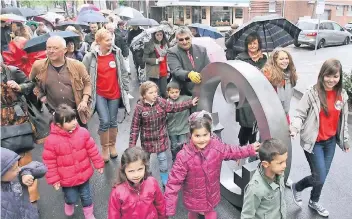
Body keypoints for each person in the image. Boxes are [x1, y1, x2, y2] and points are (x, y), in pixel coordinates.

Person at [164, 111, 260, 219]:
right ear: (190, 135)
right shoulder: (184, 156)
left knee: (210, 213)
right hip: (193, 197)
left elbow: (231, 151)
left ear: (210, 133)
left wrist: (249, 149)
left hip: (211, 194)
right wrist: (169, 209)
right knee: (193, 213)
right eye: (197, 135)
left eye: (205, 135)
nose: (202, 139)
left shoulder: (216, 147)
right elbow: (173, 183)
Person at [290, 59, 349, 217]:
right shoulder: (312, 92)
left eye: (335, 76)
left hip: (330, 142)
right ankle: (298, 187)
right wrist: (294, 128)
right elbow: (300, 114)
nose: (331, 80)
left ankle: (313, 201)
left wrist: (346, 140)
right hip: (314, 142)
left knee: (321, 177)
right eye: (328, 75)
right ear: (322, 75)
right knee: (319, 176)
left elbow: (343, 122)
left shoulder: (342, 94)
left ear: (339, 77)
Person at [129, 81, 199, 187]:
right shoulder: (140, 108)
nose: (154, 95)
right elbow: (135, 127)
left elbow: (174, 107)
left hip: (160, 139)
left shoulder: (161, 102)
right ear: (144, 95)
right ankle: (147, 180)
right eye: (151, 93)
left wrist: (190, 103)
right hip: (147, 141)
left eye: (155, 92)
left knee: (163, 160)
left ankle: (165, 180)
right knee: (145, 161)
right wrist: (132, 146)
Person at [42, 104, 105, 219]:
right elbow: (49, 162)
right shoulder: (52, 141)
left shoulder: (83, 132)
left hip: (84, 173)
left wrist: (98, 163)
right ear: (58, 125)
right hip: (66, 178)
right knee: (71, 197)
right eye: (69, 121)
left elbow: (92, 149)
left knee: (86, 196)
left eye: (74, 118)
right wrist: (54, 179)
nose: (74, 122)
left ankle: (89, 214)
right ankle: (69, 202)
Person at [0, 58, 45, 204]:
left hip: (18, 123)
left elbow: (31, 84)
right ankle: (10, 200)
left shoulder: (11, 71)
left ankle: (32, 198)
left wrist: (19, 87)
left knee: (25, 162)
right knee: (4, 165)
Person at [83, 29, 130, 163]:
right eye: (107, 40)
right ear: (99, 42)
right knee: (105, 120)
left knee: (113, 121)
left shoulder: (117, 53)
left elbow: (123, 72)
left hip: (114, 93)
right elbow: (83, 75)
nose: (110, 42)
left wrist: (126, 89)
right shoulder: (90, 57)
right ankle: (104, 148)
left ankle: (112, 145)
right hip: (99, 94)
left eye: (111, 39)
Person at [30, 36, 92, 127]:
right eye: (49, 48)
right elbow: (30, 82)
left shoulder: (77, 65)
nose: (51, 51)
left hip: (76, 113)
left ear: (65, 50)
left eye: (55, 48)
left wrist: (84, 101)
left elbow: (88, 83)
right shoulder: (38, 66)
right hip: (54, 115)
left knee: (80, 139)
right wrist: (40, 95)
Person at [108, 147, 166, 219]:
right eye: (131, 171)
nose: (136, 175)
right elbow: (114, 215)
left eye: (140, 169)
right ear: (123, 170)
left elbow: (160, 204)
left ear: (145, 167)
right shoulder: (117, 192)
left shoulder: (152, 183)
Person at [235, 32, 267, 156]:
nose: (252, 46)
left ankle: (251, 147)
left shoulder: (264, 58)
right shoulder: (241, 58)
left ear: (259, 44)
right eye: (250, 43)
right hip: (245, 96)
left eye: (254, 43)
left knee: (256, 122)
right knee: (247, 123)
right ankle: (243, 145)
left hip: (259, 95)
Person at [241, 138, 288, 219]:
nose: (285, 166)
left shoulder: (280, 173)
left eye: (285, 161)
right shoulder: (255, 189)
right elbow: (247, 215)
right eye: (280, 163)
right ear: (265, 164)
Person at [1, 147, 47, 219]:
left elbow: (41, 168)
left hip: (29, 213)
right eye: (15, 168)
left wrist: (26, 173)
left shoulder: (13, 178)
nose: (19, 169)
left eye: (18, 166)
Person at [168, 26, 210, 96]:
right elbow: (176, 70)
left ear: (191, 37)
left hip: (202, 90)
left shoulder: (202, 50)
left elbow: (208, 68)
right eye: (181, 40)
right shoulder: (172, 52)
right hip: (184, 92)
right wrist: (189, 75)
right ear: (177, 40)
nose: (184, 42)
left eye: (187, 38)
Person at [262, 48, 298, 123]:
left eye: (286, 58)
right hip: (270, 118)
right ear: (275, 60)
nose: (285, 61)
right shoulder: (268, 76)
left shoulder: (290, 75)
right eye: (281, 59)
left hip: (285, 116)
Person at [166, 81, 191, 161]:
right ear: (168, 93)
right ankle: (175, 160)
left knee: (184, 146)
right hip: (172, 130)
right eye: (172, 92)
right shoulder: (166, 103)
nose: (174, 94)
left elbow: (195, 97)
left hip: (183, 129)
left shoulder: (185, 99)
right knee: (174, 146)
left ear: (179, 91)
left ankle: (183, 161)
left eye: (176, 92)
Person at [143, 28, 170, 98]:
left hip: (164, 71)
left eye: (161, 34)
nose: (159, 36)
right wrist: (156, 60)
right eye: (157, 35)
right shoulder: (149, 45)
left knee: (164, 92)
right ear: (154, 35)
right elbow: (144, 59)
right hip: (155, 72)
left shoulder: (165, 45)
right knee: (156, 93)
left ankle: (164, 107)